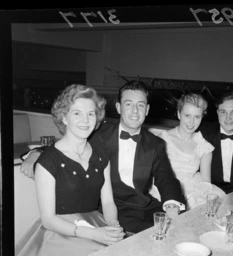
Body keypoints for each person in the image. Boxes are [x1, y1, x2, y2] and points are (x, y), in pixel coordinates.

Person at [20, 80, 186, 234]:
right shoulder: (98, 135)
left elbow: (167, 179)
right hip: (113, 211)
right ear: (119, 107)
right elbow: (67, 144)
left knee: (181, 229)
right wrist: (36, 153)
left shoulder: (155, 143)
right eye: (129, 104)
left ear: (147, 110)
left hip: (145, 206)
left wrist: (172, 206)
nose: (135, 111)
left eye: (140, 105)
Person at [15, 84, 125, 256]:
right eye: (77, 113)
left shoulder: (102, 154)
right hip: (61, 233)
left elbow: (108, 201)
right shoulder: (48, 160)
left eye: (91, 113)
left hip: (96, 223)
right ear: (64, 118)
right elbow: (48, 220)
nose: (85, 120)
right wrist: (94, 234)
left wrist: (112, 226)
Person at [149, 92, 225, 210]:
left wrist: (191, 197)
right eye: (187, 116)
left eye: (197, 117)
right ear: (179, 114)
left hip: (194, 191)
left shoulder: (204, 146)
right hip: (163, 188)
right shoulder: (161, 140)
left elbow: (205, 182)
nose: (191, 122)